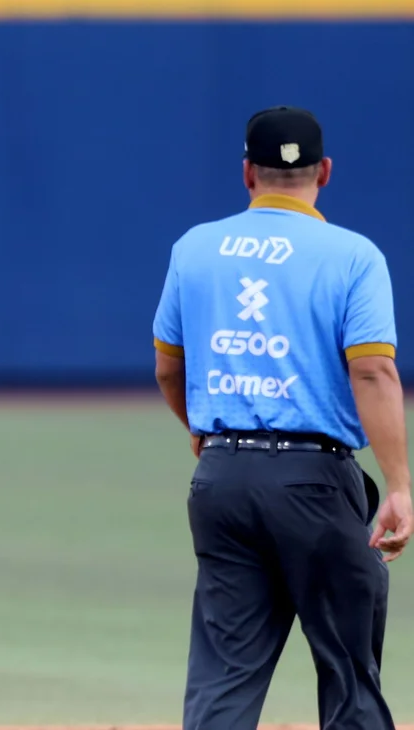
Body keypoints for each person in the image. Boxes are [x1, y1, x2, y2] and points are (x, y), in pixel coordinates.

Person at [151, 105, 413, 730]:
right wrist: (399, 484)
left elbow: (168, 368)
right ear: (325, 171)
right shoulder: (353, 256)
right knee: (350, 677)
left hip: (222, 479)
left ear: (247, 173)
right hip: (315, 482)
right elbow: (372, 372)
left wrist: (204, 432)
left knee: (222, 680)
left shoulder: (196, 249)